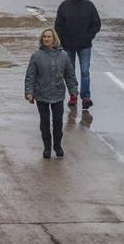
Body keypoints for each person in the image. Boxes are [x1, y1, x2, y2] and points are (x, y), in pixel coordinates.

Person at [24, 28, 77, 159]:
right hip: (41, 94)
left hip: (58, 93)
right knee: (45, 121)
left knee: (58, 121)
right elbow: (30, 76)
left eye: (49, 37)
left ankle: (57, 146)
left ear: (54, 39)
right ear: (42, 39)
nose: (47, 39)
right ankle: (47, 147)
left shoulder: (63, 55)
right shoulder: (36, 55)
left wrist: (73, 91)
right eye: (44, 37)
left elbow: (69, 75)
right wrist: (29, 92)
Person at [54, 0, 101, 110]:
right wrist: (60, 42)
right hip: (68, 45)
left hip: (84, 45)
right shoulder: (64, 6)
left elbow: (96, 24)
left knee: (85, 71)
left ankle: (86, 97)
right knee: (70, 72)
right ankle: (73, 95)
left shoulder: (89, 6)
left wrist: (89, 36)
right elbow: (58, 26)